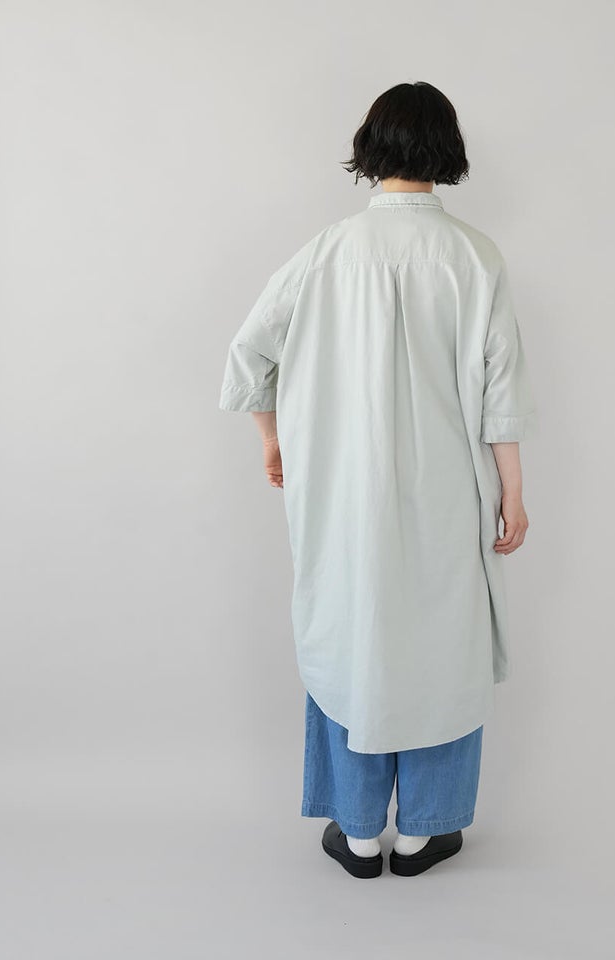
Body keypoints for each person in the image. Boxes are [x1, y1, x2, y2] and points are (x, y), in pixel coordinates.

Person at [218, 81, 537, 878]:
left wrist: (272, 440)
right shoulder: (475, 256)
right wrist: (513, 492)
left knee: (349, 636)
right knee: (443, 649)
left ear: (371, 146)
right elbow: (502, 392)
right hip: (448, 494)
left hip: (342, 497)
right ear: (447, 149)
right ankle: (426, 832)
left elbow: (249, 353)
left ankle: (358, 831)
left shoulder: (327, 252)